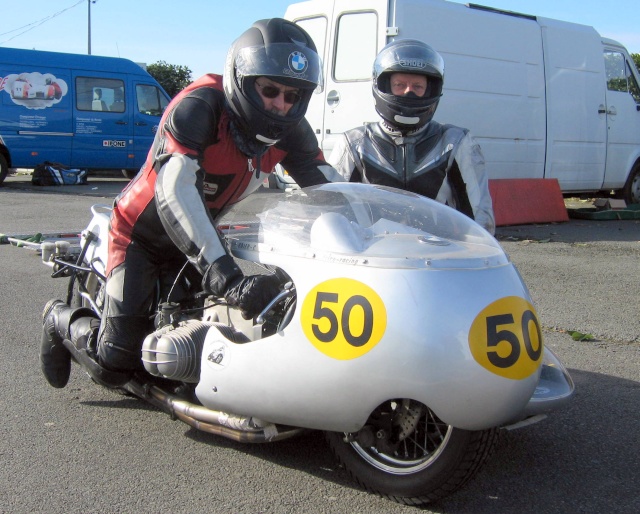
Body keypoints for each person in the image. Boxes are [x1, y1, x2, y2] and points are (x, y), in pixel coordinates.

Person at [40, 18, 343, 389]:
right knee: (116, 360)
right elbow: (176, 190)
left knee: (215, 335)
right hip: (140, 236)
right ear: (242, 80)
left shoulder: (292, 132)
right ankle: (58, 318)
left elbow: (332, 190)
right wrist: (228, 278)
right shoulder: (201, 105)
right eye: (269, 90)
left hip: (195, 241)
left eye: (292, 96)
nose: (280, 105)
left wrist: (375, 227)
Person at [329, 39, 495, 234]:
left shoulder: (455, 142)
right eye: (400, 84)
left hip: (437, 255)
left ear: (431, 89)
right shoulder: (355, 143)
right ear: (383, 85)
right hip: (374, 256)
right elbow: (331, 211)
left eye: (417, 86)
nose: (409, 92)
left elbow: (481, 220)